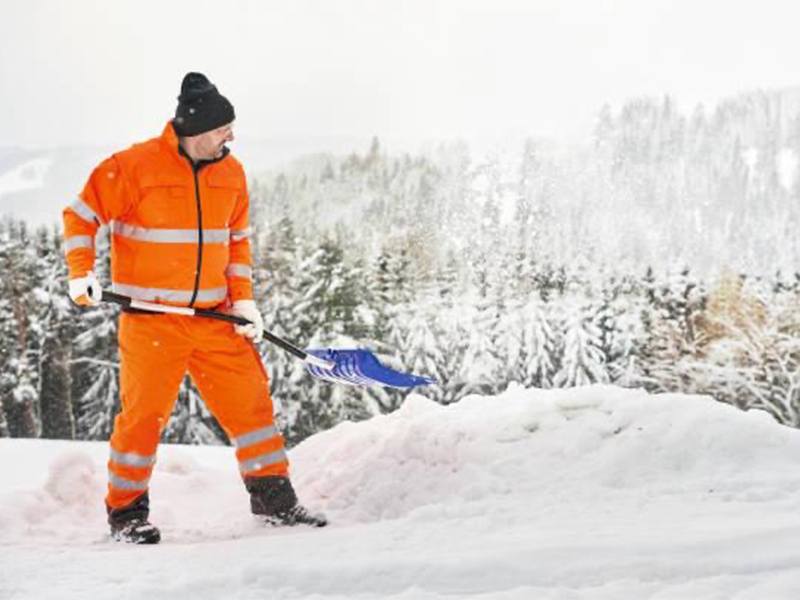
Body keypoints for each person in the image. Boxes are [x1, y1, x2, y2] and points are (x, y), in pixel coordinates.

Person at [62, 72, 327, 544]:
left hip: (214, 316)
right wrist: (81, 271)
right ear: (196, 129)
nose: (231, 137)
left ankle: (272, 497)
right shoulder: (133, 166)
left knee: (252, 407)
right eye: (224, 129)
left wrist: (243, 300)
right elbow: (80, 216)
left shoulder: (233, 172)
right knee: (142, 419)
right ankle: (126, 514)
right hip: (151, 320)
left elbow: (238, 241)